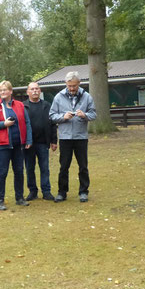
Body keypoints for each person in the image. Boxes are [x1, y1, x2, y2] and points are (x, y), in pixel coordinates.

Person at [49, 71, 96, 203]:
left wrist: (84, 115)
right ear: (66, 84)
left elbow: (93, 114)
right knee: (64, 166)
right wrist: (63, 117)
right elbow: (52, 116)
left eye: (74, 86)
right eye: (69, 86)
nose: (72, 89)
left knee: (83, 166)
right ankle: (62, 192)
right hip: (65, 138)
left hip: (81, 137)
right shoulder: (58, 97)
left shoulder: (87, 97)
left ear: (79, 84)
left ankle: (83, 192)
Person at [0, 80, 32, 210]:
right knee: (2, 172)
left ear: (11, 91)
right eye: (0, 90)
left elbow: (27, 123)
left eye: (5, 90)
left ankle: (20, 198)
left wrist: (28, 140)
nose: (2, 92)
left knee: (19, 171)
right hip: (2, 145)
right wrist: (3, 124)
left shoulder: (20, 105)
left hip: (18, 145)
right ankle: (0, 199)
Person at [23, 82, 58, 201]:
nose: (35, 91)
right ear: (27, 92)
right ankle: (32, 191)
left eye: (37, 89)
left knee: (44, 168)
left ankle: (46, 191)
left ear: (40, 91)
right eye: (32, 89)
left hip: (43, 142)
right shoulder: (23, 107)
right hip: (28, 143)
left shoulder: (47, 105)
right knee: (29, 168)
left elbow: (53, 123)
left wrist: (54, 141)